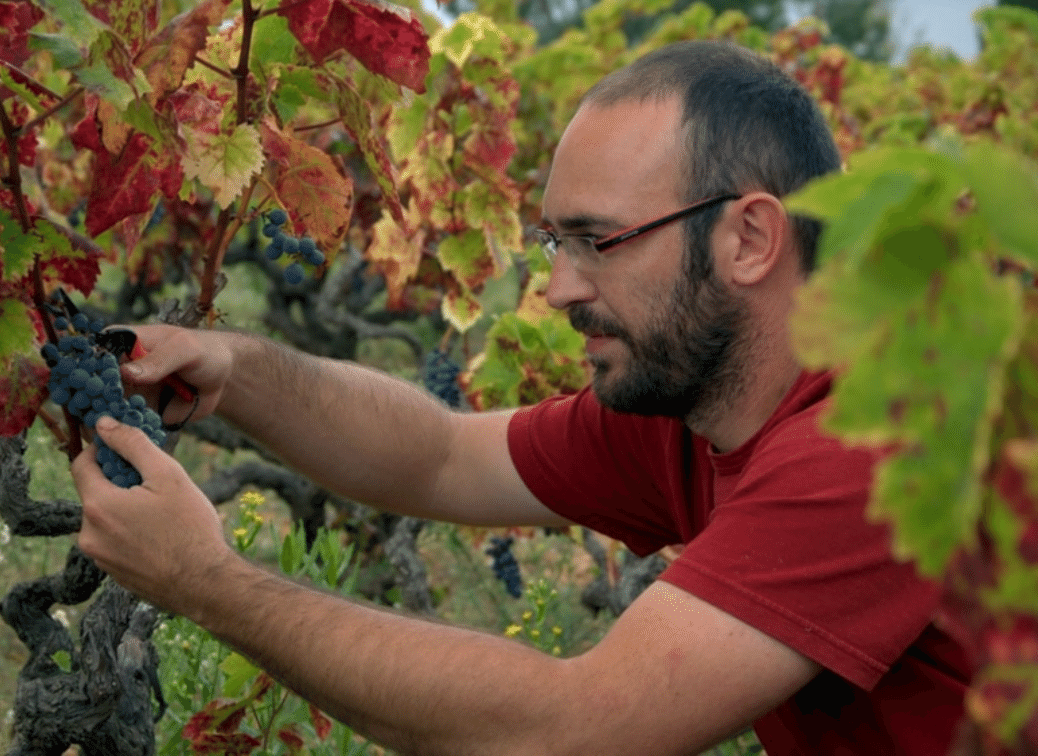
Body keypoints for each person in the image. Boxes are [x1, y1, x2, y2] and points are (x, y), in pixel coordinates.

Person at [72, 41, 971, 755]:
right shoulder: (699, 404)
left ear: (749, 238)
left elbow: (566, 732)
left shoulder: (876, 446)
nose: (558, 290)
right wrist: (235, 367)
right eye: (555, 243)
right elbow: (442, 455)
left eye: (597, 241)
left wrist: (204, 579)